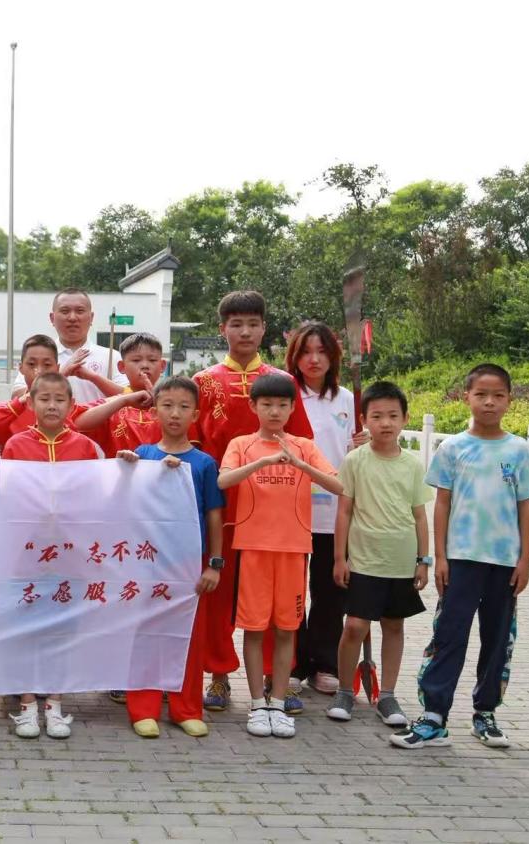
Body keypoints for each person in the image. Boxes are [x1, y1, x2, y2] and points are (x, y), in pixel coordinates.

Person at [393, 364, 529, 750]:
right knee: (449, 635)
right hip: (460, 561)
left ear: (510, 400)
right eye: (481, 394)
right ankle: (434, 717)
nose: (489, 402)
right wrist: (439, 557)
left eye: (498, 395)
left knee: (497, 638)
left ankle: (485, 713)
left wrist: (525, 560)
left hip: (504, 563)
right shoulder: (453, 448)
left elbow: (526, 507)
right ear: (467, 398)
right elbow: (442, 504)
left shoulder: (519, 450)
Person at [192, 291, 313, 713]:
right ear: (222, 328)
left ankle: (276, 680)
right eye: (236, 324)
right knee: (219, 594)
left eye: (253, 324)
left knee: (278, 598)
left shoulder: (282, 383)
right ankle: (219, 674)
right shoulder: (204, 381)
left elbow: (303, 443)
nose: (245, 332)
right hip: (221, 506)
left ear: (264, 328)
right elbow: (194, 443)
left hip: (274, 513)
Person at [217, 374, 341, 740]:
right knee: (255, 628)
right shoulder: (242, 444)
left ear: (292, 409)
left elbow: (338, 485)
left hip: (293, 550)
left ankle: (278, 701)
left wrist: (301, 466)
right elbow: (224, 481)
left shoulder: (304, 446)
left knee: (287, 628)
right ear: (253, 406)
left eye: (282, 405)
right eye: (267, 405)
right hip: (253, 549)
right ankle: (257, 703)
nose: (274, 411)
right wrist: (262, 463)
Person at [115, 376, 225, 738]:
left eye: (183, 407)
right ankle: (142, 707)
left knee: (188, 637)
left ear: (196, 414)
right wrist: (125, 470)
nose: (175, 414)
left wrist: (214, 564)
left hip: (188, 565)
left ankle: (185, 708)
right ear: (154, 411)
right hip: (148, 563)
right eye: (167, 405)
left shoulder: (204, 463)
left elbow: (214, 515)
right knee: (146, 634)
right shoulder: (142, 455)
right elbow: (124, 503)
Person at [1, 371, 102, 740]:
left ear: (72, 405)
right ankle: (27, 704)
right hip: (26, 556)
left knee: (62, 632)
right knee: (25, 631)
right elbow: (4, 497)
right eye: (44, 399)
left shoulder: (85, 447)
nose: (52, 405)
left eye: (60, 399)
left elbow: (98, 494)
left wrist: (126, 468)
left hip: (69, 557)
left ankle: (55, 704)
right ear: (30, 402)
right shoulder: (15, 445)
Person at [329, 381, 433, 727]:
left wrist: (423, 560)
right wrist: (340, 558)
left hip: (400, 561)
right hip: (363, 559)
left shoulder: (413, 465)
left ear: (405, 419)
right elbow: (344, 511)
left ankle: (387, 695)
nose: (385, 423)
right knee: (355, 626)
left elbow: (420, 516)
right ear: (363, 420)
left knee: (393, 625)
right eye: (376, 416)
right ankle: (345, 690)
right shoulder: (354, 461)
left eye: (392, 415)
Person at [286, 321, 365, 696]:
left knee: (331, 590)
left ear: (333, 356)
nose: (313, 359)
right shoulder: (286, 395)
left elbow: (355, 456)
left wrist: (363, 443)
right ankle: (292, 663)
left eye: (321, 351)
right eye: (305, 352)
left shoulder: (348, 400)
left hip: (335, 511)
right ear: (294, 357)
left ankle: (325, 663)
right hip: (290, 508)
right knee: (290, 592)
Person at [10, 288, 126, 401]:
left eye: (80, 311)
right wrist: (62, 373)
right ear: (52, 318)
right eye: (65, 311)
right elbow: (17, 398)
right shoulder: (37, 356)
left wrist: (94, 378)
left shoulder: (111, 356)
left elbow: (129, 397)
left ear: (91, 317)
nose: (72, 318)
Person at [0, 334, 93, 451]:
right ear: (21, 368)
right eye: (31, 364)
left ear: (57, 368)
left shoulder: (66, 407)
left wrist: (94, 377)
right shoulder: (8, 412)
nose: (39, 371)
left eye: (47, 365)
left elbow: (104, 406)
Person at [72, 332, 167, 456]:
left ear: (162, 366)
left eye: (152, 360)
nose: (145, 365)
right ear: (122, 367)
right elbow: (76, 423)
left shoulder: (173, 405)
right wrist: (123, 401)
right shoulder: (112, 404)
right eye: (136, 360)